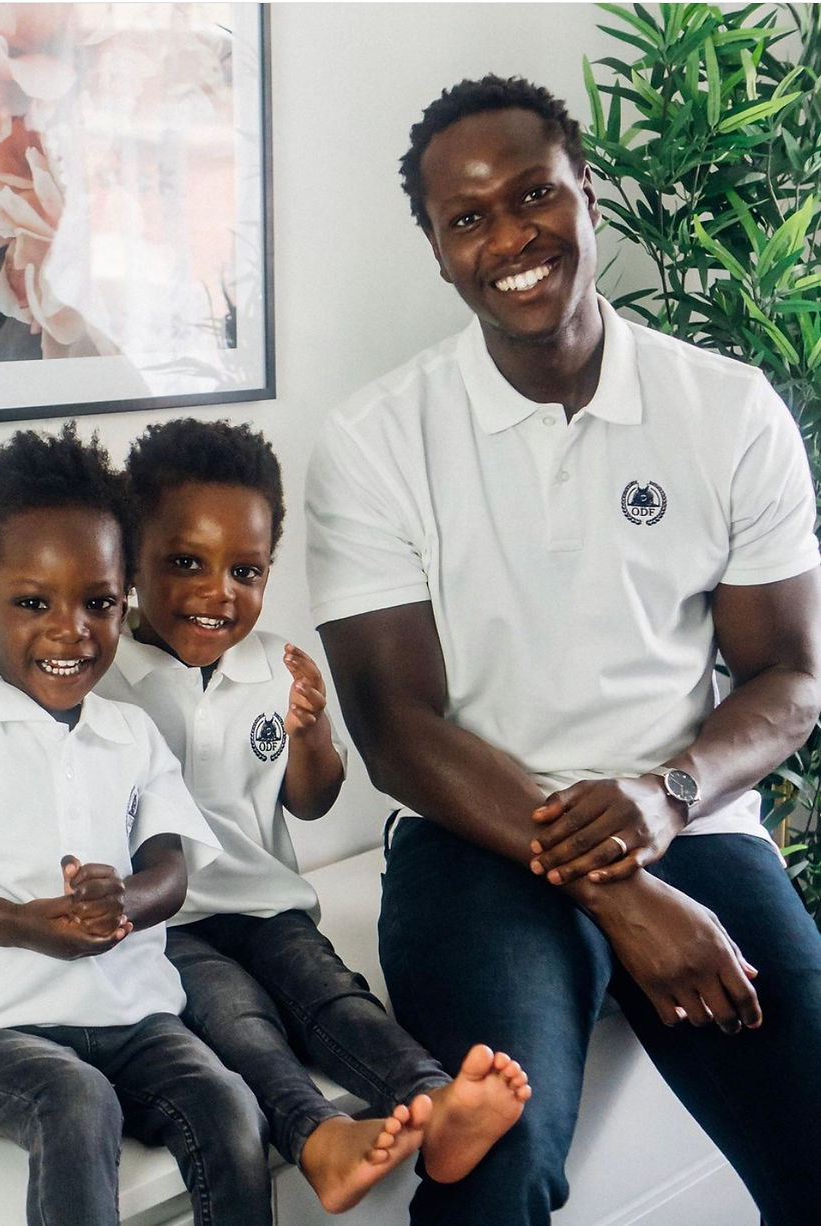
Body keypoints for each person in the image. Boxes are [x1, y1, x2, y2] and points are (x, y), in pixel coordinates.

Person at [305, 74, 821, 1226]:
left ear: (585, 197)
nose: (508, 237)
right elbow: (395, 728)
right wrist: (616, 887)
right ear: (437, 252)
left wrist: (664, 792)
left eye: (533, 194)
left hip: (685, 818)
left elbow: (788, 678)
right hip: (471, 839)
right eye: (466, 218)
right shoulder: (374, 441)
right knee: (497, 1162)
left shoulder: (727, 411)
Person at [0, 423, 284, 1226]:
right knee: (77, 1102)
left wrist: (127, 903)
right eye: (32, 603)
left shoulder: (128, 731)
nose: (70, 628)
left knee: (227, 1104)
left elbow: (170, 870)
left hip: (130, 1013)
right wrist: (17, 924)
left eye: (99, 602)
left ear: (126, 600)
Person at [96, 416, 531, 1215]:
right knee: (236, 1016)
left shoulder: (276, 664)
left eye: (246, 571)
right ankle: (313, 1134)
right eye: (185, 562)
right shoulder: (100, 676)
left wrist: (312, 736)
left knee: (332, 995)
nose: (217, 593)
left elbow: (312, 798)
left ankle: (434, 1100)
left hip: (266, 903)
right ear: (127, 562)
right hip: (166, 926)